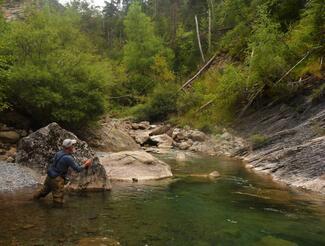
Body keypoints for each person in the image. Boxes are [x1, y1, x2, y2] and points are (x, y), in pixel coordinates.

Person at [33, 138, 92, 204]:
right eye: (73, 145)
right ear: (69, 147)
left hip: (49, 177)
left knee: (42, 193)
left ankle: (31, 202)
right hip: (57, 180)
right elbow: (77, 169)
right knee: (58, 200)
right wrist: (86, 164)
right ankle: (58, 213)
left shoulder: (58, 153)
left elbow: (56, 163)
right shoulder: (68, 158)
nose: (74, 146)